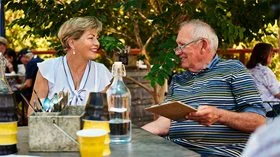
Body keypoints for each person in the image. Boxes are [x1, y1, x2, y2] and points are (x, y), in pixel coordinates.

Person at [142, 19, 266, 157]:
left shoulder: (232, 69)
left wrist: (220, 115)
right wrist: (136, 136)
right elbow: (165, 122)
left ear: (203, 45)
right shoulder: (178, 80)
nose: (177, 52)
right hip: (174, 150)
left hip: (217, 153)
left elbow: (258, 122)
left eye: (182, 45)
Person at [28, 16, 112, 115]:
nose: (97, 43)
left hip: (91, 129)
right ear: (72, 43)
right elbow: (33, 113)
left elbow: (109, 114)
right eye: (91, 38)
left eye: (96, 38)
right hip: (54, 129)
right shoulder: (48, 69)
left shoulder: (101, 72)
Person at [246, 43, 280, 116]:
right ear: (263, 56)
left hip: (254, 107)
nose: (272, 57)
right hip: (270, 108)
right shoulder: (264, 71)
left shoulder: (247, 70)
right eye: (271, 55)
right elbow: (277, 93)